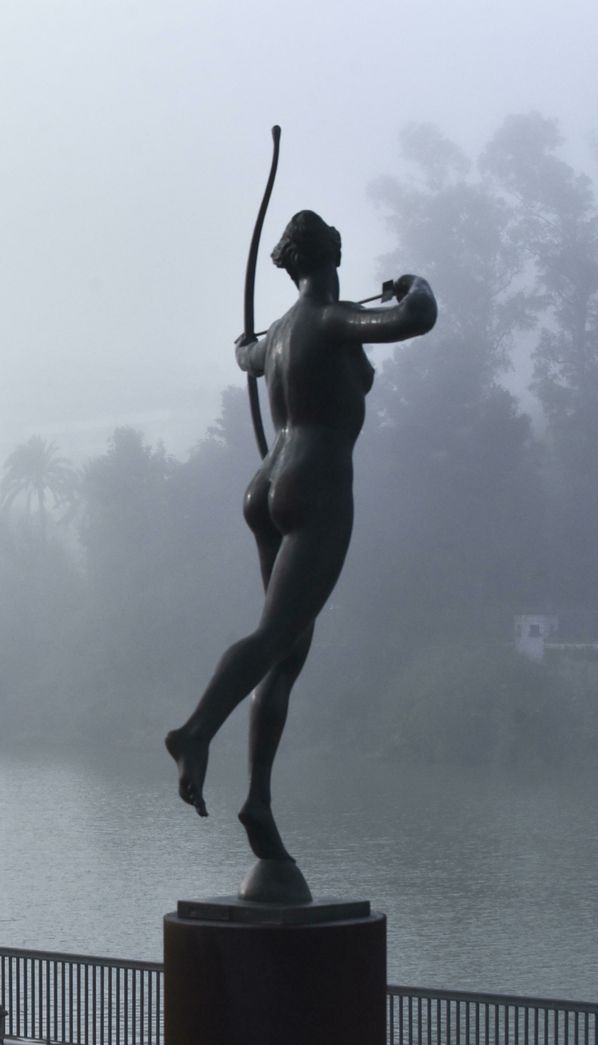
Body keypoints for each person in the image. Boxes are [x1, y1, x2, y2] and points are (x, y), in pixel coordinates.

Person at [165, 210, 436, 869]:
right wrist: (415, 285)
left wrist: (244, 342)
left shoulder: (282, 333)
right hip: (314, 487)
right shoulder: (333, 316)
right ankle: (195, 731)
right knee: (273, 640)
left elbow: (244, 355)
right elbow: (417, 318)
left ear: (289, 262)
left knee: (285, 653)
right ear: (333, 254)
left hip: (266, 487)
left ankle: (258, 800)